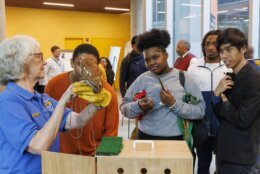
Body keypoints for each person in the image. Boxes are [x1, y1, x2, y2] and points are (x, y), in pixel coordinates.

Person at [0, 35, 103, 173]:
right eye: (38, 56)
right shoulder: (8, 102)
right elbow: (38, 145)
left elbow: (77, 121)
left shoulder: (42, 99)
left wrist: (98, 103)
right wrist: (63, 100)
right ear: (20, 62)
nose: (45, 63)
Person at [120, 29, 205, 140]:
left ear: (166, 55)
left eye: (155, 57)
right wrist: (139, 105)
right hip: (145, 137)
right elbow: (123, 107)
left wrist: (174, 104)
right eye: (147, 60)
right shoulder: (143, 79)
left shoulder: (183, 78)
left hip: (176, 139)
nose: (151, 63)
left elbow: (200, 111)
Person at [45, 44, 119, 156]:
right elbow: (45, 122)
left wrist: (104, 161)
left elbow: (112, 132)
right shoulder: (53, 85)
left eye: (91, 65)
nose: (85, 70)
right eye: (80, 64)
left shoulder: (107, 92)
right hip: (60, 155)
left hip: (94, 155)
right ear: (71, 63)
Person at [212, 28, 260, 174]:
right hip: (225, 151)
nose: (225, 56)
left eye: (229, 49)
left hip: (241, 157)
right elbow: (219, 113)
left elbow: (243, 119)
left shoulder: (254, 79)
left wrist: (224, 100)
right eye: (221, 51)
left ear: (243, 48)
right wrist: (216, 93)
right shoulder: (230, 77)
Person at [187, 30, 231, 174]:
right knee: (203, 164)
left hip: (223, 125)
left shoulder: (228, 68)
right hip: (201, 125)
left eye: (214, 43)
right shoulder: (194, 68)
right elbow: (188, 96)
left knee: (223, 164)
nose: (210, 47)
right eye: (207, 43)